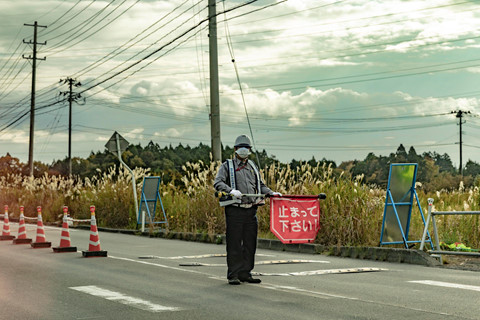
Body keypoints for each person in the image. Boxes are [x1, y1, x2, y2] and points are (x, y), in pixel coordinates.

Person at [214, 134, 281, 285]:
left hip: (251, 210)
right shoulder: (228, 166)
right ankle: (234, 274)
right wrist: (231, 190)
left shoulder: (252, 166)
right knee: (235, 243)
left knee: (250, 243)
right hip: (235, 210)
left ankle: (246, 272)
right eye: (241, 147)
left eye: (247, 147)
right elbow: (218, 183)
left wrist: (270, 192)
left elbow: (260, 185)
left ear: (250, 150)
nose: (244, 150)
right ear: (236, 149)